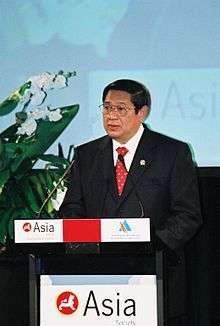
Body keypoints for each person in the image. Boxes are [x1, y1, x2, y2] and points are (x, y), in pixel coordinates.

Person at [59, 79, 202, 326]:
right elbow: (72, 209)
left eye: (120, 109)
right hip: (95, 276)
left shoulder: (172, 152)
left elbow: (187, 215)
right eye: (106, 107)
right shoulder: (87, 155)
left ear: (142, 112)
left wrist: (153, 247)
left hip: (155, 273)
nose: (111, 115)